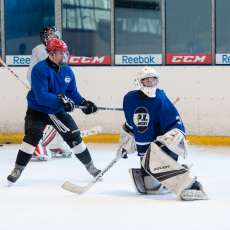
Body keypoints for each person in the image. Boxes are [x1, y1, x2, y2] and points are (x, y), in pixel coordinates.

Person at [7, 38, 101, 183]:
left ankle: (91, 167)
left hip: (57, 111)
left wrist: (84, 103)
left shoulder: (67, 70)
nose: (64, 56)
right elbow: (41, 97)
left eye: (65, 52)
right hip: (37, 111)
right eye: (61, 53)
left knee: (75, 138)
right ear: (51, 54)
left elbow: (72, 92)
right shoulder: (40, 69)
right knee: (32, 137)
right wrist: (62, 102)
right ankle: (18, 168)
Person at [117, 66, 208, 201]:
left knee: (155, 189)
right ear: (139, 82)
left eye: (153, 80)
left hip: (160, 147)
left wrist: (175, 132)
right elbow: (131, 124)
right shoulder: (129, 99)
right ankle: (178, 171)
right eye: (147, 81)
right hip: (144, 150)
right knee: (149, 188)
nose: (151, 83)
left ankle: (190, 184)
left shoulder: (160, 98)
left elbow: (174, 121)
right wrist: (124, 144)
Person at [27, 26, 72, 161]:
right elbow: (32, 72)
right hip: (43, 92)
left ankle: (55, 145)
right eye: (48, 35)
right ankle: (36, 145)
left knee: (61, 116)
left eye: (53, 34)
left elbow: (62, 70)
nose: (51, 37)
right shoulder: (39, 50)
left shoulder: (62, 48)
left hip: (55, 91)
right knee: (51, 118)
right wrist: (37, 89)